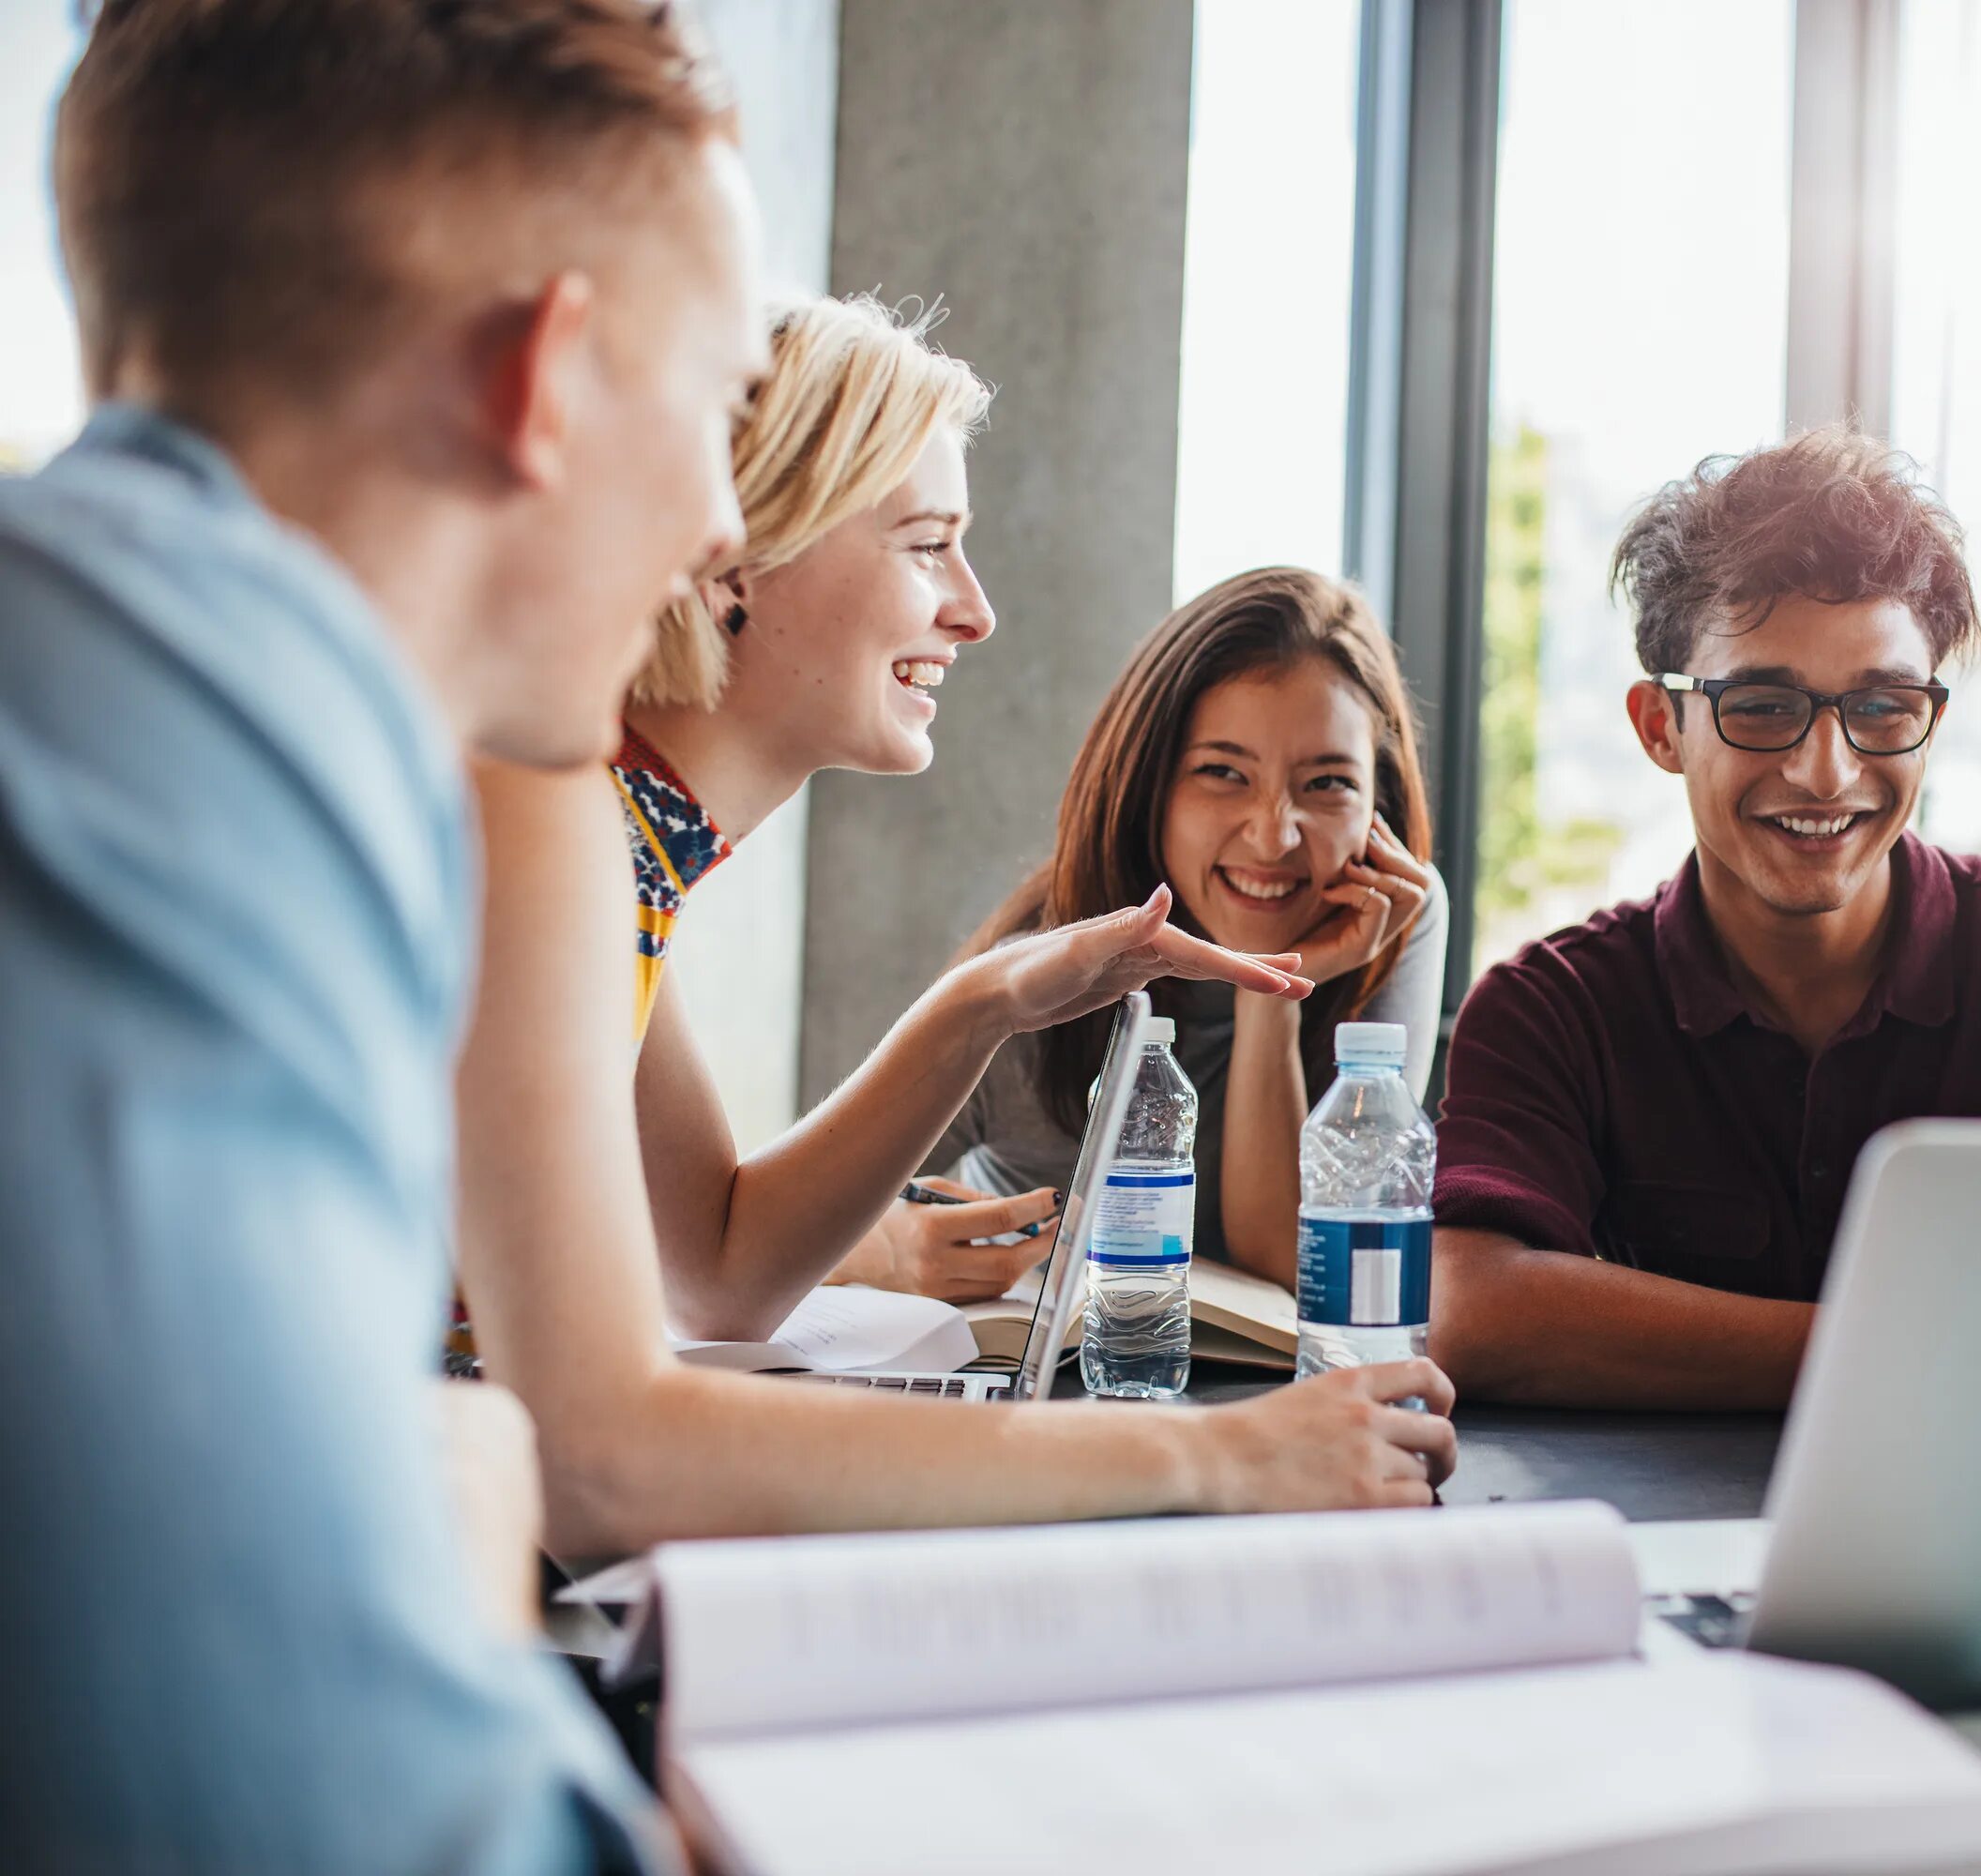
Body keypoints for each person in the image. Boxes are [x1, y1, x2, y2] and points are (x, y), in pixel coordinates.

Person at [1, 0, 765, 1868]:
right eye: (724, 404)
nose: (727, 518)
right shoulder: (196, 733)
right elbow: (295, 1798)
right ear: (548, 380)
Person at [455, 299, 1455, 1558]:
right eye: (928, 545)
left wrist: (987, 1001)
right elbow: (604, 1457)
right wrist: (1215, 1452)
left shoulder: (625, 857)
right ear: (733, 558)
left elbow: (719, 1269)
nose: (975, 612)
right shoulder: (551, 833)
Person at [1426, 427, 1981, 1410]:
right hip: (1649, 1547)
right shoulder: (1553, 1007)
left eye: (1883, 706)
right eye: (1762, 705)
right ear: (1657, 727)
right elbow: (1475, 1309)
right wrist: (1946, 1354)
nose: (1826, 770)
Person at [935, 566, 1445, 1291]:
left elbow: (1296, 1261)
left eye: (1328, 783)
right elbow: (813, 1217)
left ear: (1379, 806)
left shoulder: (1395, 913)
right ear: (1150, 787)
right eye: (1223, 773)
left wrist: (1271, 990)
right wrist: (886, 1250)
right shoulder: (1033, 978)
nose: (1275, 838)